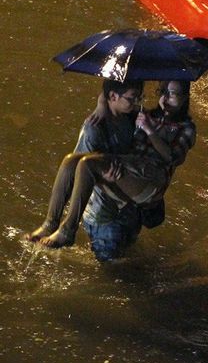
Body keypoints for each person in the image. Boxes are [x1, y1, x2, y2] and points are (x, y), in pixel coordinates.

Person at [27, 80, 196, 261]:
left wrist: (149, 130)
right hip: (130, 168)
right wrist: (101, 105)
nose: (165, 98)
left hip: (151, 178)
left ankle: (67, 230)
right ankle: (50, 223)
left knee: (88, 164)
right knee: (70, 161)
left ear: (185, 98)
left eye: (172, 93)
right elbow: (115, 94)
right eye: (162, 91)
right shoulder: (145, 114)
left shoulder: (186, 128)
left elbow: (172, 157)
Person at [24, 78, 143, 244]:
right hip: (103, 212)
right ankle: (53, 224)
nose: (136, 103)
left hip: (123, 204)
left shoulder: (129, 117)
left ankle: (55, 225)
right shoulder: (95, 127)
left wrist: (102, 100)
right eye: (132, 98)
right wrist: (104, 179)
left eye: (138, 97)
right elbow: (80, 172)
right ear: (113, 97)